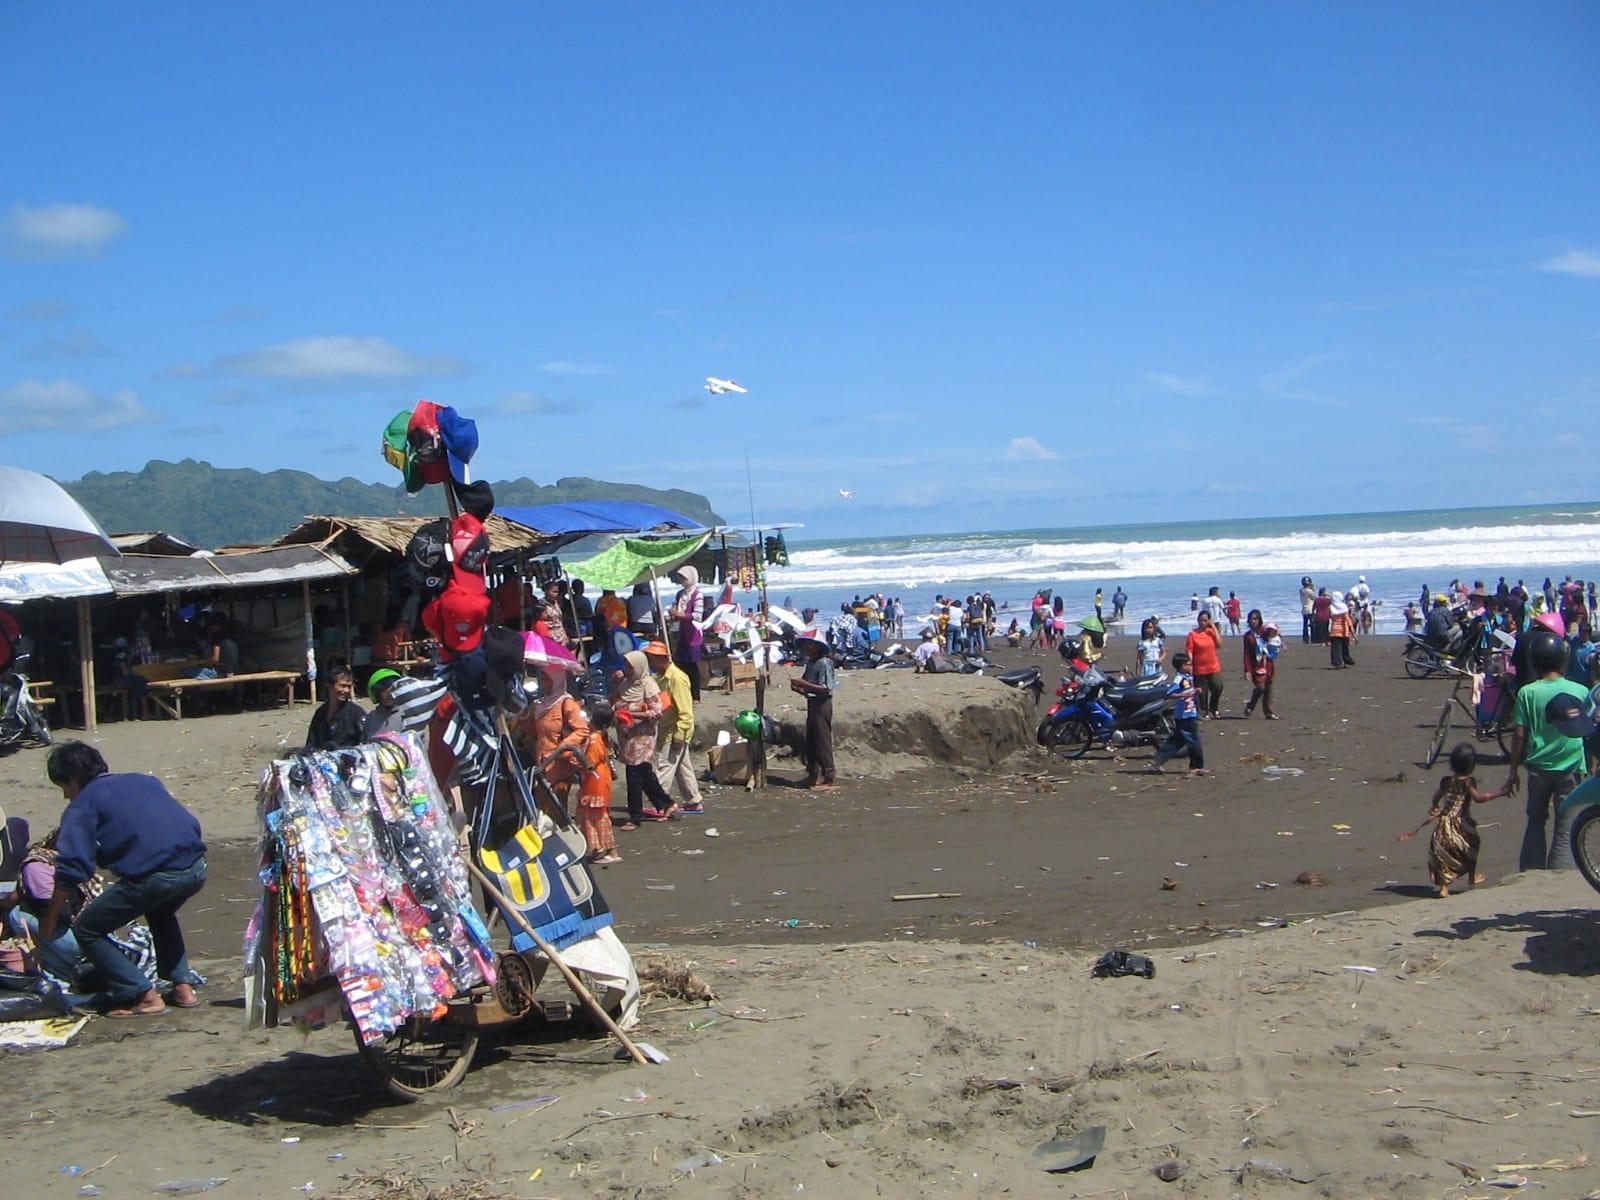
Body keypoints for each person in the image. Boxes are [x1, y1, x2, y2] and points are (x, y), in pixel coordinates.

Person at [37, 742, 207, 1018]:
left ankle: (142, 994)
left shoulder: (82, 805)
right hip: (196, 867)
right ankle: (183, 986)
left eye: (64, 787)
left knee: (87, 929)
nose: (66, 796)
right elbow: (184, 824)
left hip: (157, 876)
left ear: (73, 779)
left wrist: (49, 920)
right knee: (160, 912)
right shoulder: (144, 781)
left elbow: (71, 869)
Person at [1505, 630, 1590, 871]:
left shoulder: (1527, 692)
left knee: (1535, 821)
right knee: (1566, 825)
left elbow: (1519, 735)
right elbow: (1587, 731)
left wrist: (1512, 772)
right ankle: (1559, 875)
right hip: (1572, 766)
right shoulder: (1580, 691)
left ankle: (1531, 873)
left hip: (1538, 769)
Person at [1400, 742, 1506, 897]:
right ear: (1471, 765)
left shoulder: (1446, 781)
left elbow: (1437, 796)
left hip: (1443, 823)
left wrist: (1434, 806)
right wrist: (1501, 792)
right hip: (1460, 824)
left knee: (1443, 855)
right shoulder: (1468, 782)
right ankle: (1471, 877)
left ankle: (1444, 888)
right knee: (1472, 845)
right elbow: (1479, 798)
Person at [611, 650, 677, 829]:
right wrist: (615, 684)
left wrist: (631, 714)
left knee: (633, 775)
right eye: (626, 665)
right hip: (627, 735)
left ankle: (635, 817)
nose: (627, 669)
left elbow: (656, 711)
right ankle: (666, 804)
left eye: (630, 666)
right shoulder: (625, 683)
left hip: (643, 736)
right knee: (644, 773)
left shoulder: (648, 685)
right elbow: (614, 702)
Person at [513, 662, 591, 812]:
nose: (542, 683)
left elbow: (582, 730)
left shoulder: (567, 704)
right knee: (542, 807)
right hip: (541, 762)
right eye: (541, 678)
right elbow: (535, 731)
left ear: (556, 680)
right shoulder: (541, 705)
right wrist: (524, 718)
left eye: (546, 679)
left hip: (558, 764)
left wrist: (563, 746)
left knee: (555, 809)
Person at [644, 640, 702, 813]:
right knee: (683, 768)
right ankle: (693, 800)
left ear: (661, 659)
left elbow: (686, 711)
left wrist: (680, 735)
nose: (651, 664)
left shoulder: (677, 678)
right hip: (665, 729)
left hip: (674, 731)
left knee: (664, 767)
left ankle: (661, 803)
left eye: (652, 660)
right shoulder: (660, 678)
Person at [571, 701, 620, 866]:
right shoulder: (601, 736)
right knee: (593, 815)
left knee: (598, 817)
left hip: (595, 780)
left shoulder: (593, 739)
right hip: (599, 778)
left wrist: (575, 760)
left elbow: (589, 762)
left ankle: (610, 850)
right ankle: (598, 848)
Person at [790, 630, 836, 788]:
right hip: (812, 703)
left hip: (822, 704)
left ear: (816, 646)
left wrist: (803, 685)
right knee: (811, 740)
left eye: (808, 644)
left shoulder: (824, 663)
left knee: (822, 740)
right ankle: (812, 774)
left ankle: (828, 777)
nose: (805, 647)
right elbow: (807, 686)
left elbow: (825, 688)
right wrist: (798, 687)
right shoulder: (811, 663)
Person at [1150, 652, 1207, 775]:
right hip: (1184, 716)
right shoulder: (1179, 679)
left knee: (1177, 741)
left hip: (1190, 713)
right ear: (1182, 666)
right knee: (1194, 741)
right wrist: (1183, 695)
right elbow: (1169, 693)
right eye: (1189, 664)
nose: (1191, 666)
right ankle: (1196, 766)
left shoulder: (1188, 678)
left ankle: (1158, 761)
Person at [305, 667, 366, 750]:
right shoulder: (320, 713)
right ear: (329, 685)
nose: (346, 690)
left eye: (349, 687)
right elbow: (311, 743)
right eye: (342, 686)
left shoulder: (356, 713)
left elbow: (365, 742)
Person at [669, 566, 706, 702]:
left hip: (693, 634)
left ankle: (695, 695)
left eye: (683, 578)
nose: (681, 581)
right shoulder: (681, 594)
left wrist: (680, 614)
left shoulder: (697, 595)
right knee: (681, 664)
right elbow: (676, 608)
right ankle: (684, 693)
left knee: (692, 666)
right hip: (683, 633)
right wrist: (673, 614)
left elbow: (697, 616)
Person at [1241, 610, 1281, 720]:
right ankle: (1251, 705)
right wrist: (1247, 670)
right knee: (1260, 687)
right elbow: (1246, 654)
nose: (1253, 621)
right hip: (1256, 665)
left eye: (1255, 619)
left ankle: (1268, 712)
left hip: (1268, 662)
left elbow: (1275, 634)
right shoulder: (1248, 636)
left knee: (1269, 687)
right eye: (1251, 619)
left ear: (1259, 620)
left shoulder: (1264, 631)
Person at [1186, 610, 1224, 719]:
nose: (1203, 622)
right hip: (1199, 668)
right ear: (1198, 620)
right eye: (1201, 620)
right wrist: (1190, 663)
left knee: (1218, 686)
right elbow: (1189, 650)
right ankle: (1204, 712)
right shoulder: (1193, 634)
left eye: (1205, 620)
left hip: (1213, 666)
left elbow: (1219, 644)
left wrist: (1213, 627)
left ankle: (1214, 708)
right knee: (1202, 692)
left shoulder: (1210, 632)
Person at [361, 668, 406, 738]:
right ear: (376, 693)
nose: (390, 694)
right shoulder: (370, 718)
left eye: (393, 690)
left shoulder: (406, 714)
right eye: (384, 691)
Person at [1327, 592, 1356, 668]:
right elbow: (1348, 620)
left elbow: (1330, 617)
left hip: (1334, 630)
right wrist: (1353, 633)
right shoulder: (1344, 607)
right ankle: (1345, 661)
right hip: (1344, 631)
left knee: (1336, 648)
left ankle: (1337, 663)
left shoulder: (1331, 607)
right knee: (1344, 648)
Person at [1299, 577, 1316, 644]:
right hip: (1310, 609)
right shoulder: (1309, 591)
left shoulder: (1301, 591)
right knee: (1312, 625)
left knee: (1305, 625)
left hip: (1304, 609)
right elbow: (1315, 597)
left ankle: (1305, 639)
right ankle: (1313, 639)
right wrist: (1313, 589)